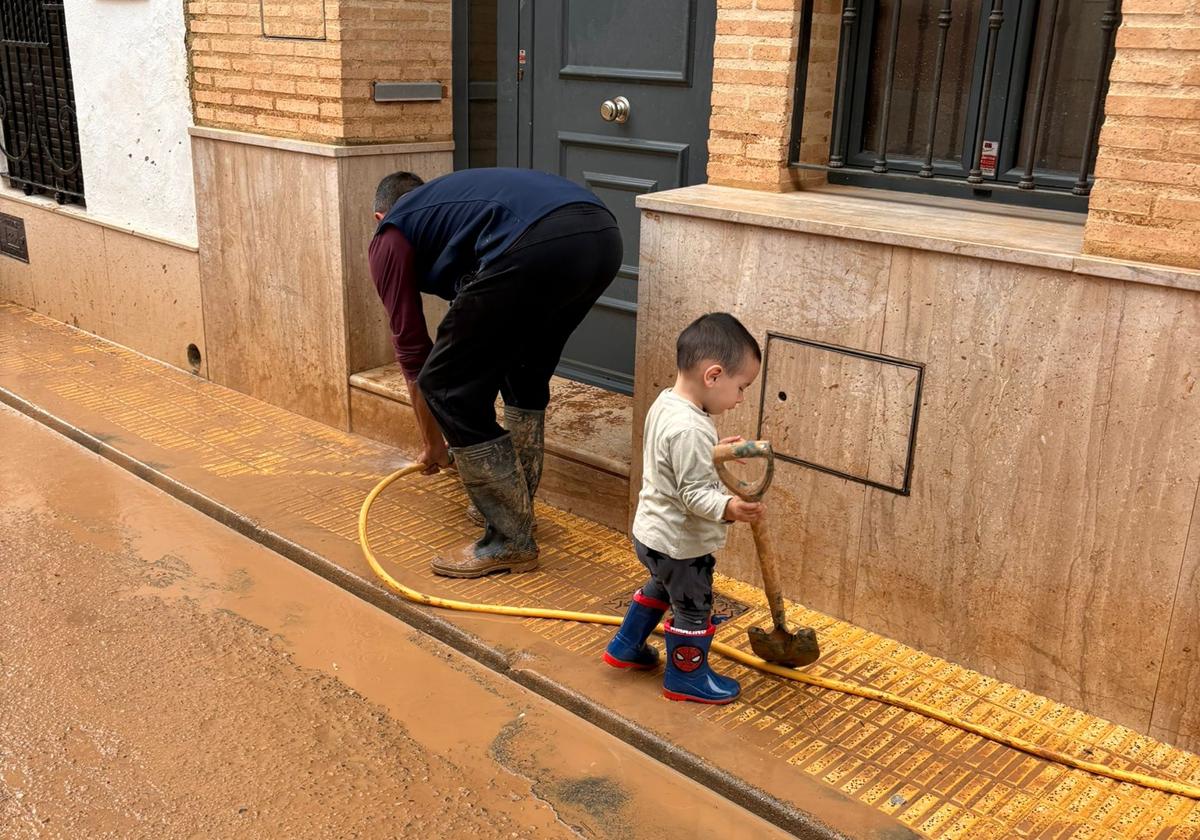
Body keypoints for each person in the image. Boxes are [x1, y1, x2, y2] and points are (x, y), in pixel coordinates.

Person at [368, 168, 621, 579]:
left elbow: (415, 354)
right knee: (522, 368)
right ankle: (518, 509)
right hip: (602, 236)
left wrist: (434, 445)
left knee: (445, 386)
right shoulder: (457, 208)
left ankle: (509, 539)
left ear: (380, 218)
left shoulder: (390, 234)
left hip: (538, 242)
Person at [602, 313, 763, 705]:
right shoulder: (691, 429)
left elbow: (672, 459)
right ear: (713, 375)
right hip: (680, 544)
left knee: (660, 585)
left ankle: (626, 646)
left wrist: (714, 449)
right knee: (693, 608)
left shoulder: (668, 403)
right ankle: (685, 677)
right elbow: (692, 495)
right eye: (741, 387)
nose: (740, 398)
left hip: (651, 535)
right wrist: (731, 506)